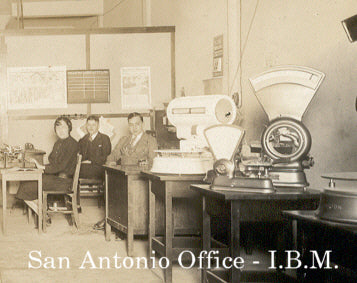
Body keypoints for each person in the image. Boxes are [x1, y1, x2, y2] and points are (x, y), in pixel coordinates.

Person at [93, 112, 157, 231]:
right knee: (112, 186)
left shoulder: (150, 140)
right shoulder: (124, 140)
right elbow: (111, 156)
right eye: (131, 125)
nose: (134, 128)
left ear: (143, 124)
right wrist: (111, 161)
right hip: (122, 177)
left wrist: (137, 161)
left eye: (137, 124)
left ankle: (126, 226)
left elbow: (153, 161)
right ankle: (112, 219)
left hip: (140, 179)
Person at [16, 116, 79, 205]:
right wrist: (37, 165)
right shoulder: (58, 143)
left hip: (64, 181)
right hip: (56, 178)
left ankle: (42, 213)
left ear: (69, 128)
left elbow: (61, 166)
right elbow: (53, 163)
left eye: (63, 127)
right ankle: (43, 211)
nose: (61, 130)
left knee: (27, 187)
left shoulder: (72, 144)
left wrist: (41, 167)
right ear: (55, 130)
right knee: (26, 182)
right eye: (58, 127)